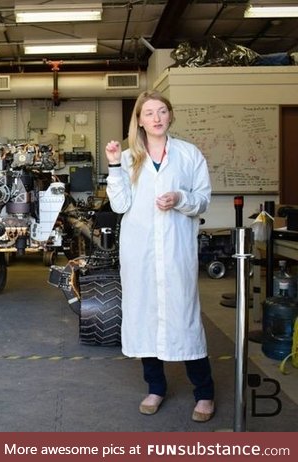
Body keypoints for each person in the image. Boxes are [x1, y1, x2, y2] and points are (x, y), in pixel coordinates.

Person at [104, 90, 215, 423]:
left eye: (162, 111)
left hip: (176, 251)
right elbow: (119, 205)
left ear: (170, 116)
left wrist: (179, 197)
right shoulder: (126, 157)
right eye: (149, 112)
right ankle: (155, 387)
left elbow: (202, 200)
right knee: (144, 316)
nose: (156, 118)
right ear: (139, 119)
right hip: (140, 253)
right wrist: (112, 165)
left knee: (185, 318)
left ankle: (205, 393)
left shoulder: (188, 154)